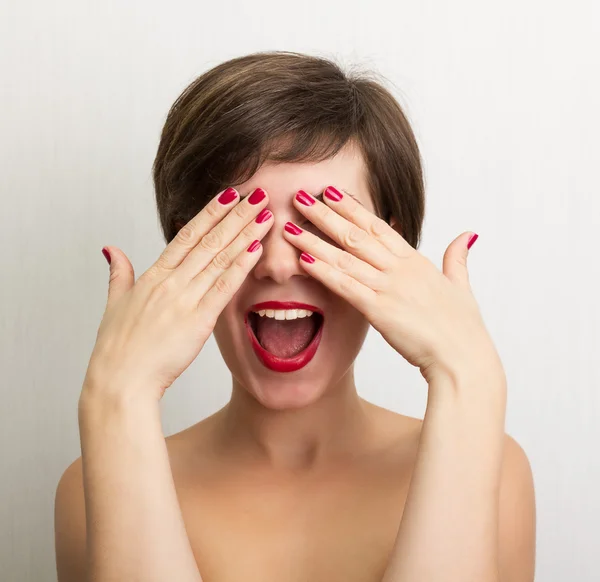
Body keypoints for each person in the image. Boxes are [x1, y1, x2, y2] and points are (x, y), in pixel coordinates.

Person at [54, 51, 536, 582]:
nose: (280, 264)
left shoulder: (494, 468)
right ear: (182, 250)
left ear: (393, 249)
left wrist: (469, 380)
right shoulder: (91, 485)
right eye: (242, 224)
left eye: (320, 223)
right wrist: (115, 396)